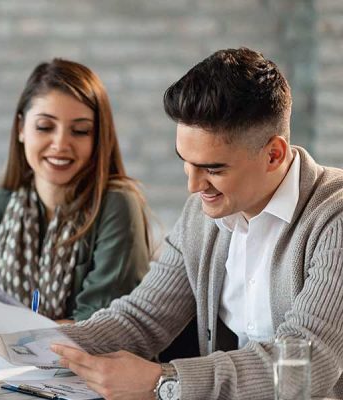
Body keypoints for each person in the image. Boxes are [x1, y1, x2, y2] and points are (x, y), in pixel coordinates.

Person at [51, 47, 343, 399]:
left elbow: (305, 359)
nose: (193, 186)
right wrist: (24, 338)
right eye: (186, 163)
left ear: (273, 154)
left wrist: (163, 381)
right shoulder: (201, 215)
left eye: (213, 169)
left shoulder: (334, 218)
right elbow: (142, 318)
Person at [0, 58, 151, 323]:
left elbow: (99, 324)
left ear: (98, 138)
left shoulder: (117, 205)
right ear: (21, 128)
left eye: (80, 131)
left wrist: (10, 331)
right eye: (45, 127)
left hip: (95, 362)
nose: (60, 144)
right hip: (10, 362)